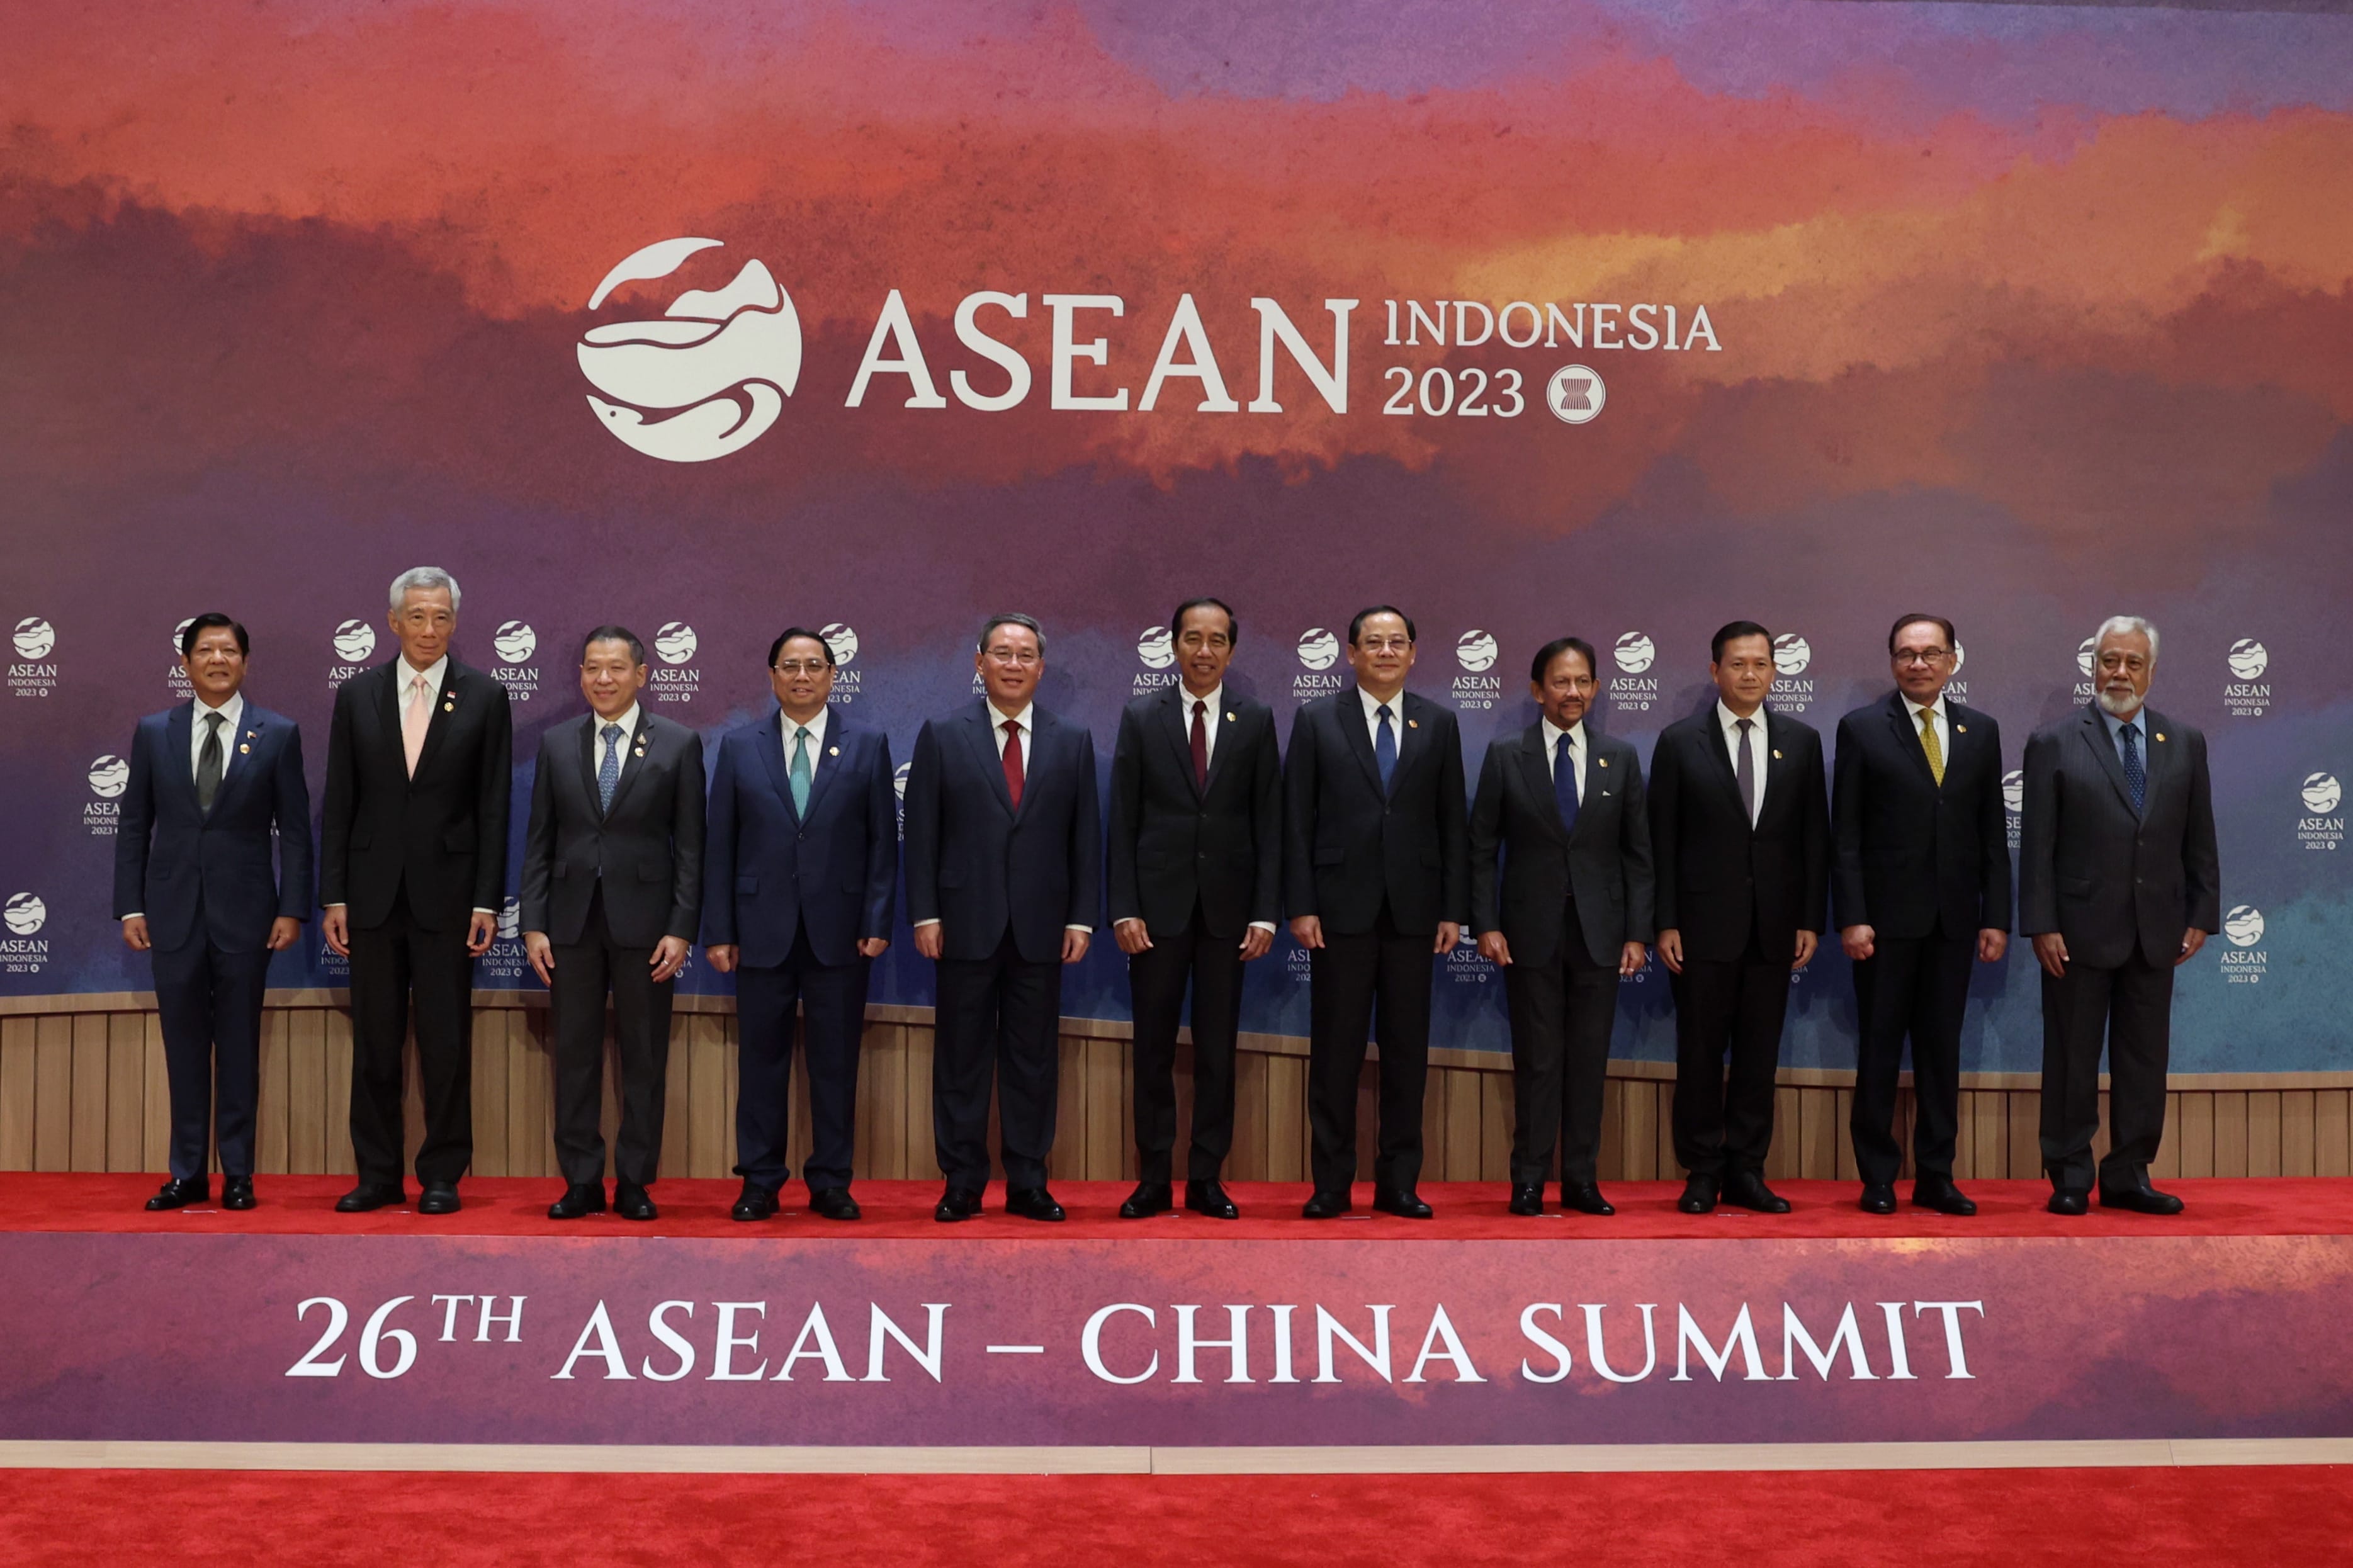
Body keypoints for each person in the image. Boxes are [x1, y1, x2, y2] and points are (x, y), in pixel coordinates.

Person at [320, 567, 513, 1215]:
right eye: (417, 616)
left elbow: (493, 807)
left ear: (454, 624)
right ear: (392, 622)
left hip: (450, 898)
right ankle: (377, 1174)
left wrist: (486, 899)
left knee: (445, 1041)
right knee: (375, 1043)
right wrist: (334, 896)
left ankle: (442, 1174)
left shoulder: (485, 696)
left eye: (441, 617)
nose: (429, 629)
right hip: (372, 897)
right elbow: (340, 802)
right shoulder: (357, 694)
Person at [903, 614, 1100, 1222]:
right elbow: (923, 836)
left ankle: (1028, 1182)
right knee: (961, 1058)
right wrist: (926, 913)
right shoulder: (942, 734)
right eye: (1002, 653)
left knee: (1033, 1059)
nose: (1013, 664)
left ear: (1041, 667)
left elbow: (1084, 837)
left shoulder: (1072, 740)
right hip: (963, 922)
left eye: (1025, 655)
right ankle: (962, 1181)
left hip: (1043, 928)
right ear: (979, 662)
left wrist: (1082, 919)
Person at [112, 614, 312, 1212]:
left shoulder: (276, 733)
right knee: (184, 1044)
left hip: (248, 915)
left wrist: (292, 907)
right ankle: (188, 1171)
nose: (217, 659)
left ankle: (240, 1172)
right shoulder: (155, 731)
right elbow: (132, 827)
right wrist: (130, 905)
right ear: (185, 663)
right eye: (205, 650)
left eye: (229, 650)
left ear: (246, 662)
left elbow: (296, 832)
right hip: (171, 912)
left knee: (240, 1043)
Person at [2021, 615, 2219, 1215]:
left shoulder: (2184, 741)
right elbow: (2037, 848)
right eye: (2110, 660)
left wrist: (2203, 911)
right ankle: (2071, 1174)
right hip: (2076, 932)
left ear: (2151, 672)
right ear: (2092, 664)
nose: (2121, 672)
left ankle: (2130, 1172)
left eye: (2134, 662)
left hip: (2156, 931)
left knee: (2144, 1061)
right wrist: (2042, 923)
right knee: (2072, 1059)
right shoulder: (2054, 741)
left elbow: (2199, 838)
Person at [704, 628, 896, 1222]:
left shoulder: (866, 744)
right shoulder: (740, 747)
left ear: (834, 676)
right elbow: (721, 845)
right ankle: (759, 1180)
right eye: (790, 665)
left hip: (840, 931)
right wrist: (719, 930)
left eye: (815, 665)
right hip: (760, 930)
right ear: (772, 676)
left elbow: (882, 844)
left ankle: (831, 1180)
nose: (803, 675)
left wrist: (876, 918)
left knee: (835, 1061)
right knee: (761, 1061)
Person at [1284, 606, 1469, 1219]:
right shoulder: (1316, 720)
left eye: (1397, 642)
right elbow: (1296, 821)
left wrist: (1452, 908)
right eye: (1374, 642)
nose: (1386, 651)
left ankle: (1399, 1183)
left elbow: (1451, 823)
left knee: (1406, 1054)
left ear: (1414, 653)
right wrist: (1301, 904)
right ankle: (1331, 1185)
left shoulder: (1439, 723)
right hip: (1339, 911)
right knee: (1335, 1053)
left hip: (1415, 913)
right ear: (1351, 652)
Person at [518, 626, 704, 1223]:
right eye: (592, 667)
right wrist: (533, 921)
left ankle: (634, 1181)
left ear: (642, 674)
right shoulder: (556, 742)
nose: (603, 678)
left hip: (647, 927)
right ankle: (580, 1180)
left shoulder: (678, 744)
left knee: (643, 1056)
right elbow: (539, 840)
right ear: (580, 675)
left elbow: (692, 848)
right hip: (570, 925)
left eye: (616, 668)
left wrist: (681, 927)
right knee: (574, 1056)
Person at [1107, 597, 1281, 1221]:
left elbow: (1269, 820)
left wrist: (1265, 913)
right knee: (1152, 1048)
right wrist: (1123, 906)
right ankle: (1153, 1178)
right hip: (1155, 914)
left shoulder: (1255, 719)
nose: (1203, 651)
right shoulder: (1140, 716)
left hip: (1228, 917)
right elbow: (1122, 819)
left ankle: (1206, 1177)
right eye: (1192, 639)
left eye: (1216, 640)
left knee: (1216, 1050)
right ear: (1175, 645)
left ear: (1231, 651)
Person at [1832, 614, 2010, 1217]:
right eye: (1906, 654)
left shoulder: (1980, 732)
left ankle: (1937, 1174)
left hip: (1955, 924)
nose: (1918, 663)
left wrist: (1997, 916)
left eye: (1931, 653)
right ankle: (1878, 1175)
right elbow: (1847, 835)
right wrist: (1852, 916)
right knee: (1879, 1051)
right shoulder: (1861, 729)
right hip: (1882, 926)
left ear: (1953, 660)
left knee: (1942, 1053)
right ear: (1892, 662)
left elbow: (1992, 834)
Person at [1470, 636, 1653, 1217]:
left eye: (1582, 682)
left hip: (1601, 933)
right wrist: (1486, 923)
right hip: (1528, 932)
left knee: (1587, 1060)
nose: (1571, 692)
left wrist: (1637, 932)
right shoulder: (1506, 754)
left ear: (1596, 689)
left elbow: (1638, 854)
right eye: (1560, 682)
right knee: (1539, 1059)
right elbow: (1481, 848)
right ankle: (1528, 1180)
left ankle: (1580, 1179)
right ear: (1537, 689)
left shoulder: (1619, 756)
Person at [1650, 621, 1828, 1215]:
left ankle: (1747, 1170)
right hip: (1700, 929)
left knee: (1759, 1055)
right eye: (1738, 664)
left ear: (1774, 671)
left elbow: (1813, 840)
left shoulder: (1801, 742)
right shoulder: (1679, 742)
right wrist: (1666, 920)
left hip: (1775, 929)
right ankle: (1701, 1171)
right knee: (1699, 1054)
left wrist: (1809, 918)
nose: (1750, 674)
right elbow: (1662, 840)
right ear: (1714, 671)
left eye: (1760, 664)